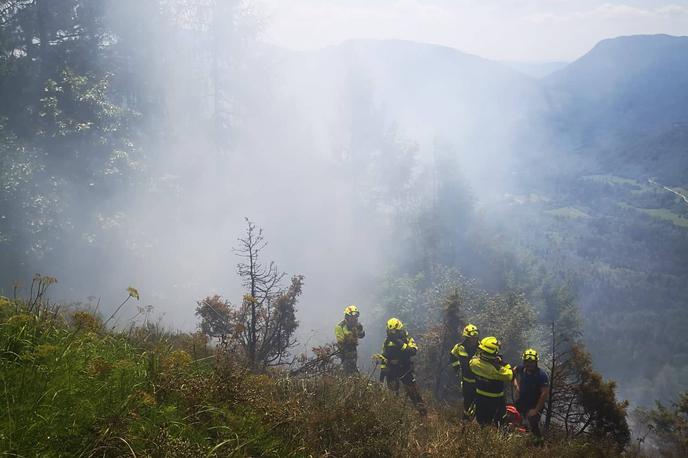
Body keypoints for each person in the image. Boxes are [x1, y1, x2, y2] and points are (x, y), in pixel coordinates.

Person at [379, 317, 427, 416]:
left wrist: (401, 344)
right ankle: (394, 417)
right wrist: (381, 376)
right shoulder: (386, 342)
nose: (392, 334)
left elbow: (413, 351)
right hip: (391, 371)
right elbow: (383, 357)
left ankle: (423, 415)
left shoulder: (407, 339)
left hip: (405, 369)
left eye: (394, 331)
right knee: (393, 394)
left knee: (413, 393)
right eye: (390, 331)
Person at [469, 336, 513, 426]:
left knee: (480, 423)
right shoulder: (496, 371)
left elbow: (475, 358)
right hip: (496, 401)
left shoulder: (473, 364)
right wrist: (501, 363)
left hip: (480, 399)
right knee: (500, 424)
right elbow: (510, 375)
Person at [513, 348, 549, 441]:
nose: (529, 364)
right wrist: (516, 386)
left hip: (534, 405)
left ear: (536, 362)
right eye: (527, 361)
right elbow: (513, 372)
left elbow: (544, 393)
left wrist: (536, 410)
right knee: (514, 419)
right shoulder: (521, 368)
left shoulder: (541, 375)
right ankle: (519, 440)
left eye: (532, 362)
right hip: (521, 402)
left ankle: (538, 445)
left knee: (533, 425)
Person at [450, 323, 480, 419]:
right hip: (466, 381)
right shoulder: (459, 347)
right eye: (472, 337)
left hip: (479, 381)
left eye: (476, 337)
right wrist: (457, 368)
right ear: (467, 337)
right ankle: (466, 423)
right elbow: (452, 355)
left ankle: (478, 423)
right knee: (467, 402)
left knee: (480, 403)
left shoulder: (481, 348)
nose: (474, 339)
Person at [334, 305, 365, 375]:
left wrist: (360, 330)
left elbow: (361, 336)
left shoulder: (356, 324)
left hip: (353, 351)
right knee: (348, 372)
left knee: (353, 369)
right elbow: (341, 342)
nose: (355, 319)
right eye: (353, 317)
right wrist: (352, 334)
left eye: (356, 317)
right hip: (345, 353)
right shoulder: (340, 326)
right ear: (347, 317)